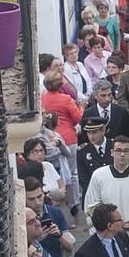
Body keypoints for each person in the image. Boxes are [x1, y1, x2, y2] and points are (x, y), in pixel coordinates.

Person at [41, 71, 83, 213]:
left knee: (55, 171)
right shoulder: (66, 99)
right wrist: (81, 107)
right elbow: (78, 117)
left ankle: (59, 198)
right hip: (68, 138)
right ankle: (74, 202)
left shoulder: (41, 99)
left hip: (48, 138)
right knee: (72, 172)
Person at [24, 177, 75, 257]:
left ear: (44, 194)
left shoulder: (55, 212)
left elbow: (70, 247)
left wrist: (59, 236)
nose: (37, 202)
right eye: (31, 199)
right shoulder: (23, 217)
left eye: (39, 197)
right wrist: (36, 241)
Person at [77, 117, 113, 203]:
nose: (91, 136)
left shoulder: (114, 147)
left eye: (94, 132)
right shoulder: (83, 151)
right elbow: (83, 178)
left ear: (103, 130)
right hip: (93, 197)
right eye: (89, 133)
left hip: (113, 193)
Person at [22, 137, 66, 203]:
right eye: (35, 151)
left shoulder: (48, 165)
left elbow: (61, 185)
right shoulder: (27, 171)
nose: (39, 154)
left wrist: (60, 195)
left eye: (41, 150)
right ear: (27, 154)